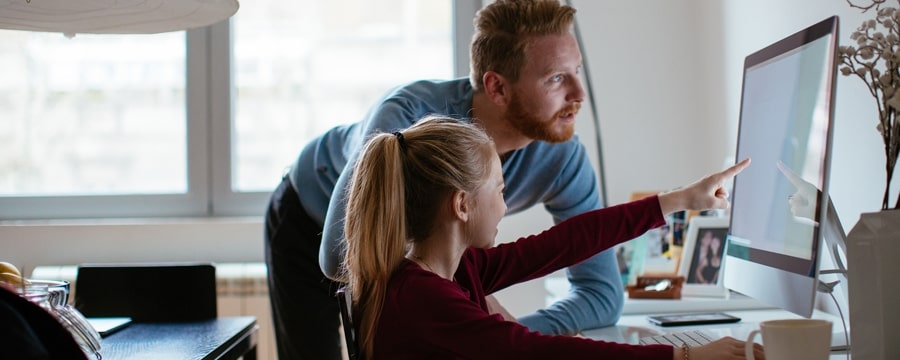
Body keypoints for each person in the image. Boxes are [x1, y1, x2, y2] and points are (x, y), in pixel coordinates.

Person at [265, 1, 630, 358]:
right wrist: (485, 318)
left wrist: (503, 338)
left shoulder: (562, 154)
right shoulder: (408, 120)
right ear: (498, 87)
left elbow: (601, 295)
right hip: (309, 215)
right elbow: (338, 257)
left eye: (577, 71)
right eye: (555, 78)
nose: (579, 96)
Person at [340, 116, 761, 359]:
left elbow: (561, 244)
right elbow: (535, 354)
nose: (506, 206)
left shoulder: (452, 269)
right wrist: (685, 355)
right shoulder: (423, 299)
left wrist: (678, 200)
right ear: (462, 205)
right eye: (500, 191)